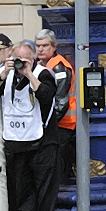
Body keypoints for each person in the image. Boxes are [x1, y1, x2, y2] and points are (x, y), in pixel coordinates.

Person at [0, 39, 57, 211]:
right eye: (17, 59)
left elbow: (47, 95)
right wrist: (4, 72)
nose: (20, 63)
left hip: (42, 142)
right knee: (22, 191)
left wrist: (29, 73)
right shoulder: (7, 75)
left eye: (24, 59)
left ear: (33, 58)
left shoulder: (43, 74)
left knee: (43, 191)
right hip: (16, 141)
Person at [36, 29, 76, 185]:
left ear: (53, 47)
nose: (40, 49)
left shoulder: (59, 67)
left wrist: (47, 124)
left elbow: (61, 102)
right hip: (55, 123)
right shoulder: (45, 65)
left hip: (62, 124)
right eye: (38, 45)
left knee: (54, 165)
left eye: (45, 45)